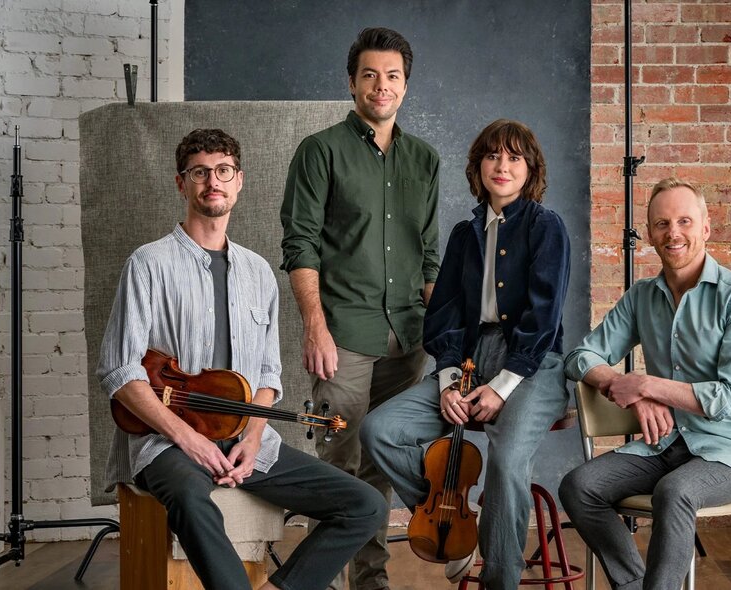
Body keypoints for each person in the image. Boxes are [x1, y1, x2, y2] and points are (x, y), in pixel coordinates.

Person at [97, 128, 386, 590]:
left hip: (246, 441)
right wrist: (190, 441)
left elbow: (268, 375)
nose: (213, 180)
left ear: (239, 181)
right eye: (200, 172)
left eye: (223, 171)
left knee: (367, 505)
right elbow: (120, 371)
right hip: (167, 443)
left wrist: (252, 439)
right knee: (192, 498)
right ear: (182, 183)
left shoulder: (259, 273)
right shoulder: (148, 264)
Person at [361, 119, 572, 589]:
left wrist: (501, 388)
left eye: (515, 157)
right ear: (478, 166)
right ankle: (457, 520)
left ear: (530, 168)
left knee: (506, 462)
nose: (502, 166)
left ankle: (500, 582)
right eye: (493, 155)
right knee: (379, 430)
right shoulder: (465, 233)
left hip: (533, 365)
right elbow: (445, 315)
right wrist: (448, 378)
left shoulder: (546, 227)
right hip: (470, 360)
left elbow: (544, 320)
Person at [280, 27, 440, 590]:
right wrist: (314, 328)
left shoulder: (425, 160)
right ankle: (313, 582)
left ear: (406, 86)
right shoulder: (320, 151)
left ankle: (370, 584)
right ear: (352, 82)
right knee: (337, 467)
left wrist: (442, 334)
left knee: (382, 462)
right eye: (369, 74)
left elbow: (429, 258)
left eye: (392, 76)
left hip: (409, 339)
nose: (381, 86)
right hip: (344, 332)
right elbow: (300, 244)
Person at [559, 178, 731, 590]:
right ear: (650, 234)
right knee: (579, 486)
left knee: (674, 492)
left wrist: (647, 386)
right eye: (661, 224)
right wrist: (621, 383)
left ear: (706, 227)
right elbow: (580, 357)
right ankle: (635, 584)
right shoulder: (642, 297)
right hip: (667, 444)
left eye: (684, 221)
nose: (673, 233)